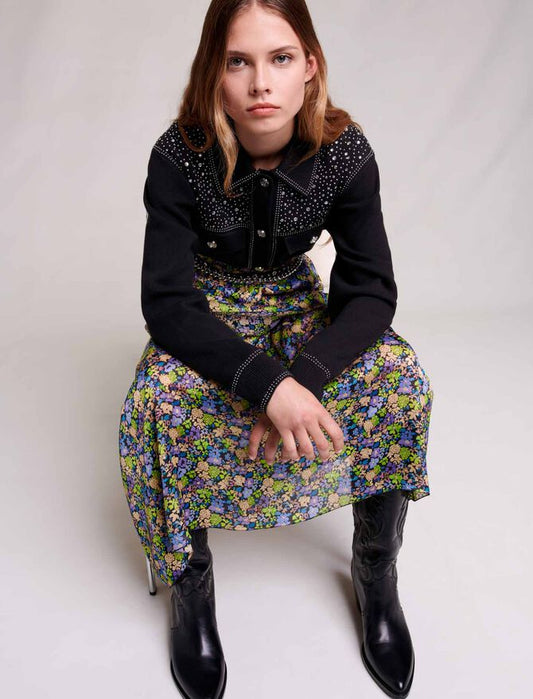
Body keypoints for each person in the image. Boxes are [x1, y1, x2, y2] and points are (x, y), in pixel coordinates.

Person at [118, 1, 434, 697]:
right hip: (207, 310)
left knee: (401, 380)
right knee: (154, 403)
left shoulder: (344, 152)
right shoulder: (178, 156)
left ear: (309, 67)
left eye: (280, 58)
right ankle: (190, 585)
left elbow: (370, 290)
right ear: (214, 72)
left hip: (295, 301)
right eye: (238, 61)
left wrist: (304, 378)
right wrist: (265, 384)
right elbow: (166, 303)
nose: (260, 82)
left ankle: (376, 569)